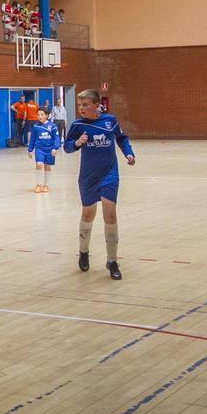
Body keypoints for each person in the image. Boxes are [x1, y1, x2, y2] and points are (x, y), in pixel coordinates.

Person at [64, 89, 135, 280]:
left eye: (85, 105)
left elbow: (121, 137)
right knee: (88, 213)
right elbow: (67, 146)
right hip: (88, 176)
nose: (81, 108)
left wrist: (128, 153)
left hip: (109, 174)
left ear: (97, 105)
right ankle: (83, 251)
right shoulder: (77, 125)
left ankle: (112, 261)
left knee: (110, 213)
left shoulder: (110, 121)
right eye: (79, 105)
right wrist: (77, 143)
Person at [27, 109, 62, 193]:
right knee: (39, 164)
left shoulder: (52, 126)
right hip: (39, 149)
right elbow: (32, 139)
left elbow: (56, 138)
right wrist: (30, 149)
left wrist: (55, 148)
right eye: (38, 115)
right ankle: (38, 184)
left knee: (47, 166)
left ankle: (46, 185)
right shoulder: (36, 126)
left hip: (49, 149)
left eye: (42, 114)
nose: (40, 116)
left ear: (46, 115)